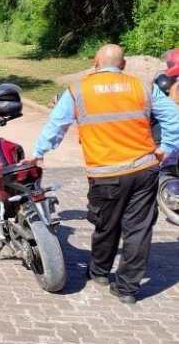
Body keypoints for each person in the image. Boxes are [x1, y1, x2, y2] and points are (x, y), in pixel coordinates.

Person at [27, 44, 179, 304]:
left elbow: (57, 124)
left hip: (105, 173)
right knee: (138, 230)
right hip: (144, 169)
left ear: (96, 64)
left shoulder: (79, 90)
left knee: (106, 224)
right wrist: (166, 148)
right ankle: (127, 289)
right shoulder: (141, 86)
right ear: (123, 65)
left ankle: (99, 272)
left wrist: (39, 152)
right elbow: (174, 118)